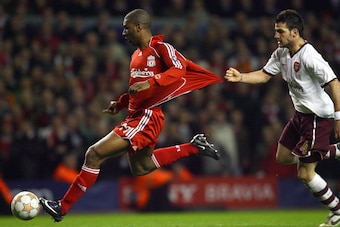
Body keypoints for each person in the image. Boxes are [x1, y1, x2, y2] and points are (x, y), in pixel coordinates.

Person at [39, 8, 222, 222]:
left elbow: (179, 69)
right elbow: (137, 90)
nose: (123, 32)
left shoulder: (160, 48)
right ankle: (193, 147)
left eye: (126, 28)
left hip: (147, 116)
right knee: (142, 167)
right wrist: (120, 103)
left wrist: (151, 81)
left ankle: (62, 206)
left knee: (93, 154)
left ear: (139, 27)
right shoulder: (135, 55)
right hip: (137, 115)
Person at [225, 9, 340, 227]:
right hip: (300, 116)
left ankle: (337, 212)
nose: (276, 36)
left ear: (294, 32)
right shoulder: (281, 53)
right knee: (283, 156)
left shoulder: (310, 57)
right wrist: (241, 77)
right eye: (275, 31)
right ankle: (334, 150)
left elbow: (335, 84)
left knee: (305, 174)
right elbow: (264, 75)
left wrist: (338, 118)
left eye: (280, 31)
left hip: (317, 117)